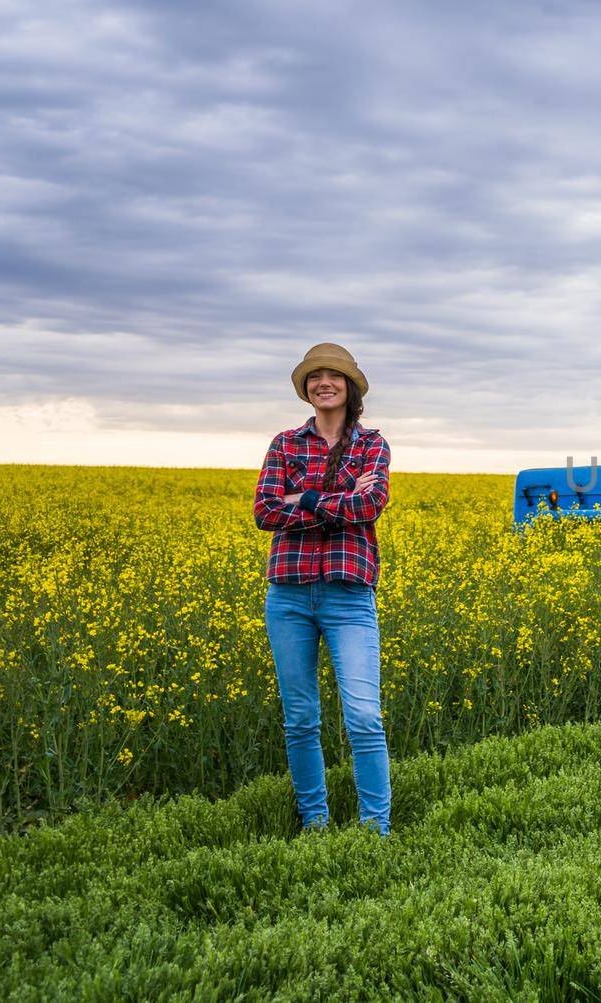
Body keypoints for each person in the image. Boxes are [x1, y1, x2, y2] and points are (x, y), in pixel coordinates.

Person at [252, 343, 392, 835]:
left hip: (348, 595)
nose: (323, 383)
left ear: (350, 387)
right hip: (288, 594)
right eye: (315, 377)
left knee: (363, 715)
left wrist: (303, 497)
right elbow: (266, 512)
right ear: (306, 389)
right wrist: (334, 498)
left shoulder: (371, 444)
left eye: (334, 375)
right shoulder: (285, 443)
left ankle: (376, 828)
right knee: (301, 719)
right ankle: (315, 821)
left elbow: (368, 507)